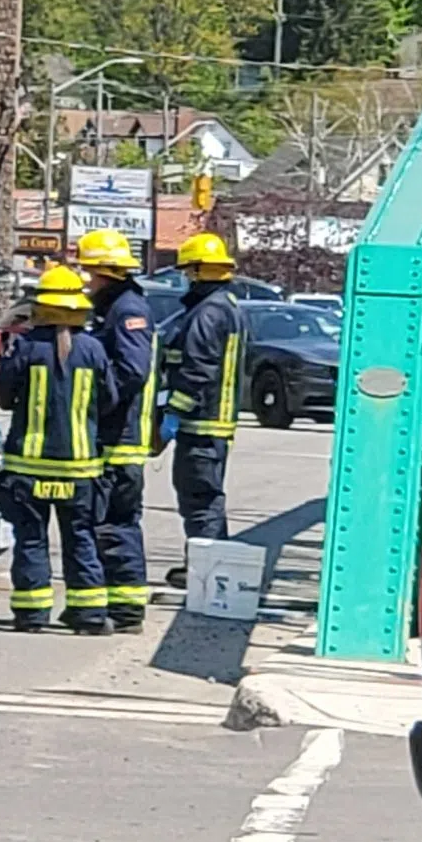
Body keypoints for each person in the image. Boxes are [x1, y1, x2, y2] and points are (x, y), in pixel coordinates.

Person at [0, 264, 118, 635]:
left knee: (30, 539)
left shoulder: (25, 349)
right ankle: (89, 616)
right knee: (80, 539)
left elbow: (2, 396)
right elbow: (109, 399)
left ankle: (32, 614)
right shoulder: (93, 349)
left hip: (28, 468)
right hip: (79, 471)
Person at [74, 229, 156, 634]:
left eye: (87, 271)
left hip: (119, 441)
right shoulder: (114, 308)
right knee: (106, 523)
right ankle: (114, 605)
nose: (84, 279)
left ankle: (125, 611)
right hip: (113, 437)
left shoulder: (126, 311)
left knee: (114, 524)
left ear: (104, 271)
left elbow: (131, 371)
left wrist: (96, 402)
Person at [161, 232, 245, 582]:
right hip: (215, 425)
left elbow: (197, 372)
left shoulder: (207, 313)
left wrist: (172, 415)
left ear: (197, 271)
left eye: (187, 272)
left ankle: (206, 568)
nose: (185, 279)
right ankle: (209, 562)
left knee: (200, 498)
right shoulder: (227, 306)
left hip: (202, 424)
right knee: (205, 497)